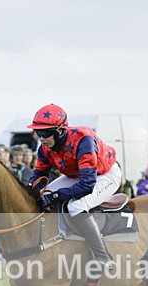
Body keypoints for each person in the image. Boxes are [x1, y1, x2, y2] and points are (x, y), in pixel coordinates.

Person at [27, 103, 122, 270]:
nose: (41, 138)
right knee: (43, 194)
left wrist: (57, 196)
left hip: (105, 175)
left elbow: (86, 185)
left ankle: (103, 257)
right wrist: (30, 190)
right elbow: (40, 176)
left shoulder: (83, 140)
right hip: (77, 175)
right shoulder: (44, 148)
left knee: (76, 205)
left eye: (45, 133)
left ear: (60, 131)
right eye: (38, 132)